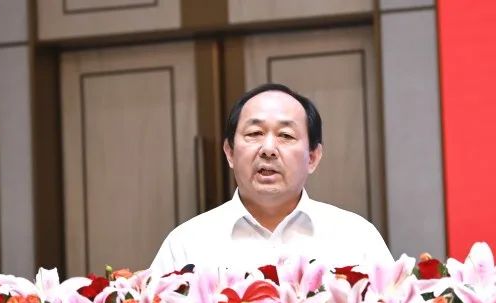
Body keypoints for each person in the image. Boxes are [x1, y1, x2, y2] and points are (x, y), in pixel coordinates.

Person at [150, 83, 393, 275]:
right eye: (254, 133)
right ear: (230, 152)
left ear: (312, 157)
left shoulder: (356, 238)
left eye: (286, 135)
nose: (268, 149)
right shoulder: (186, 244)